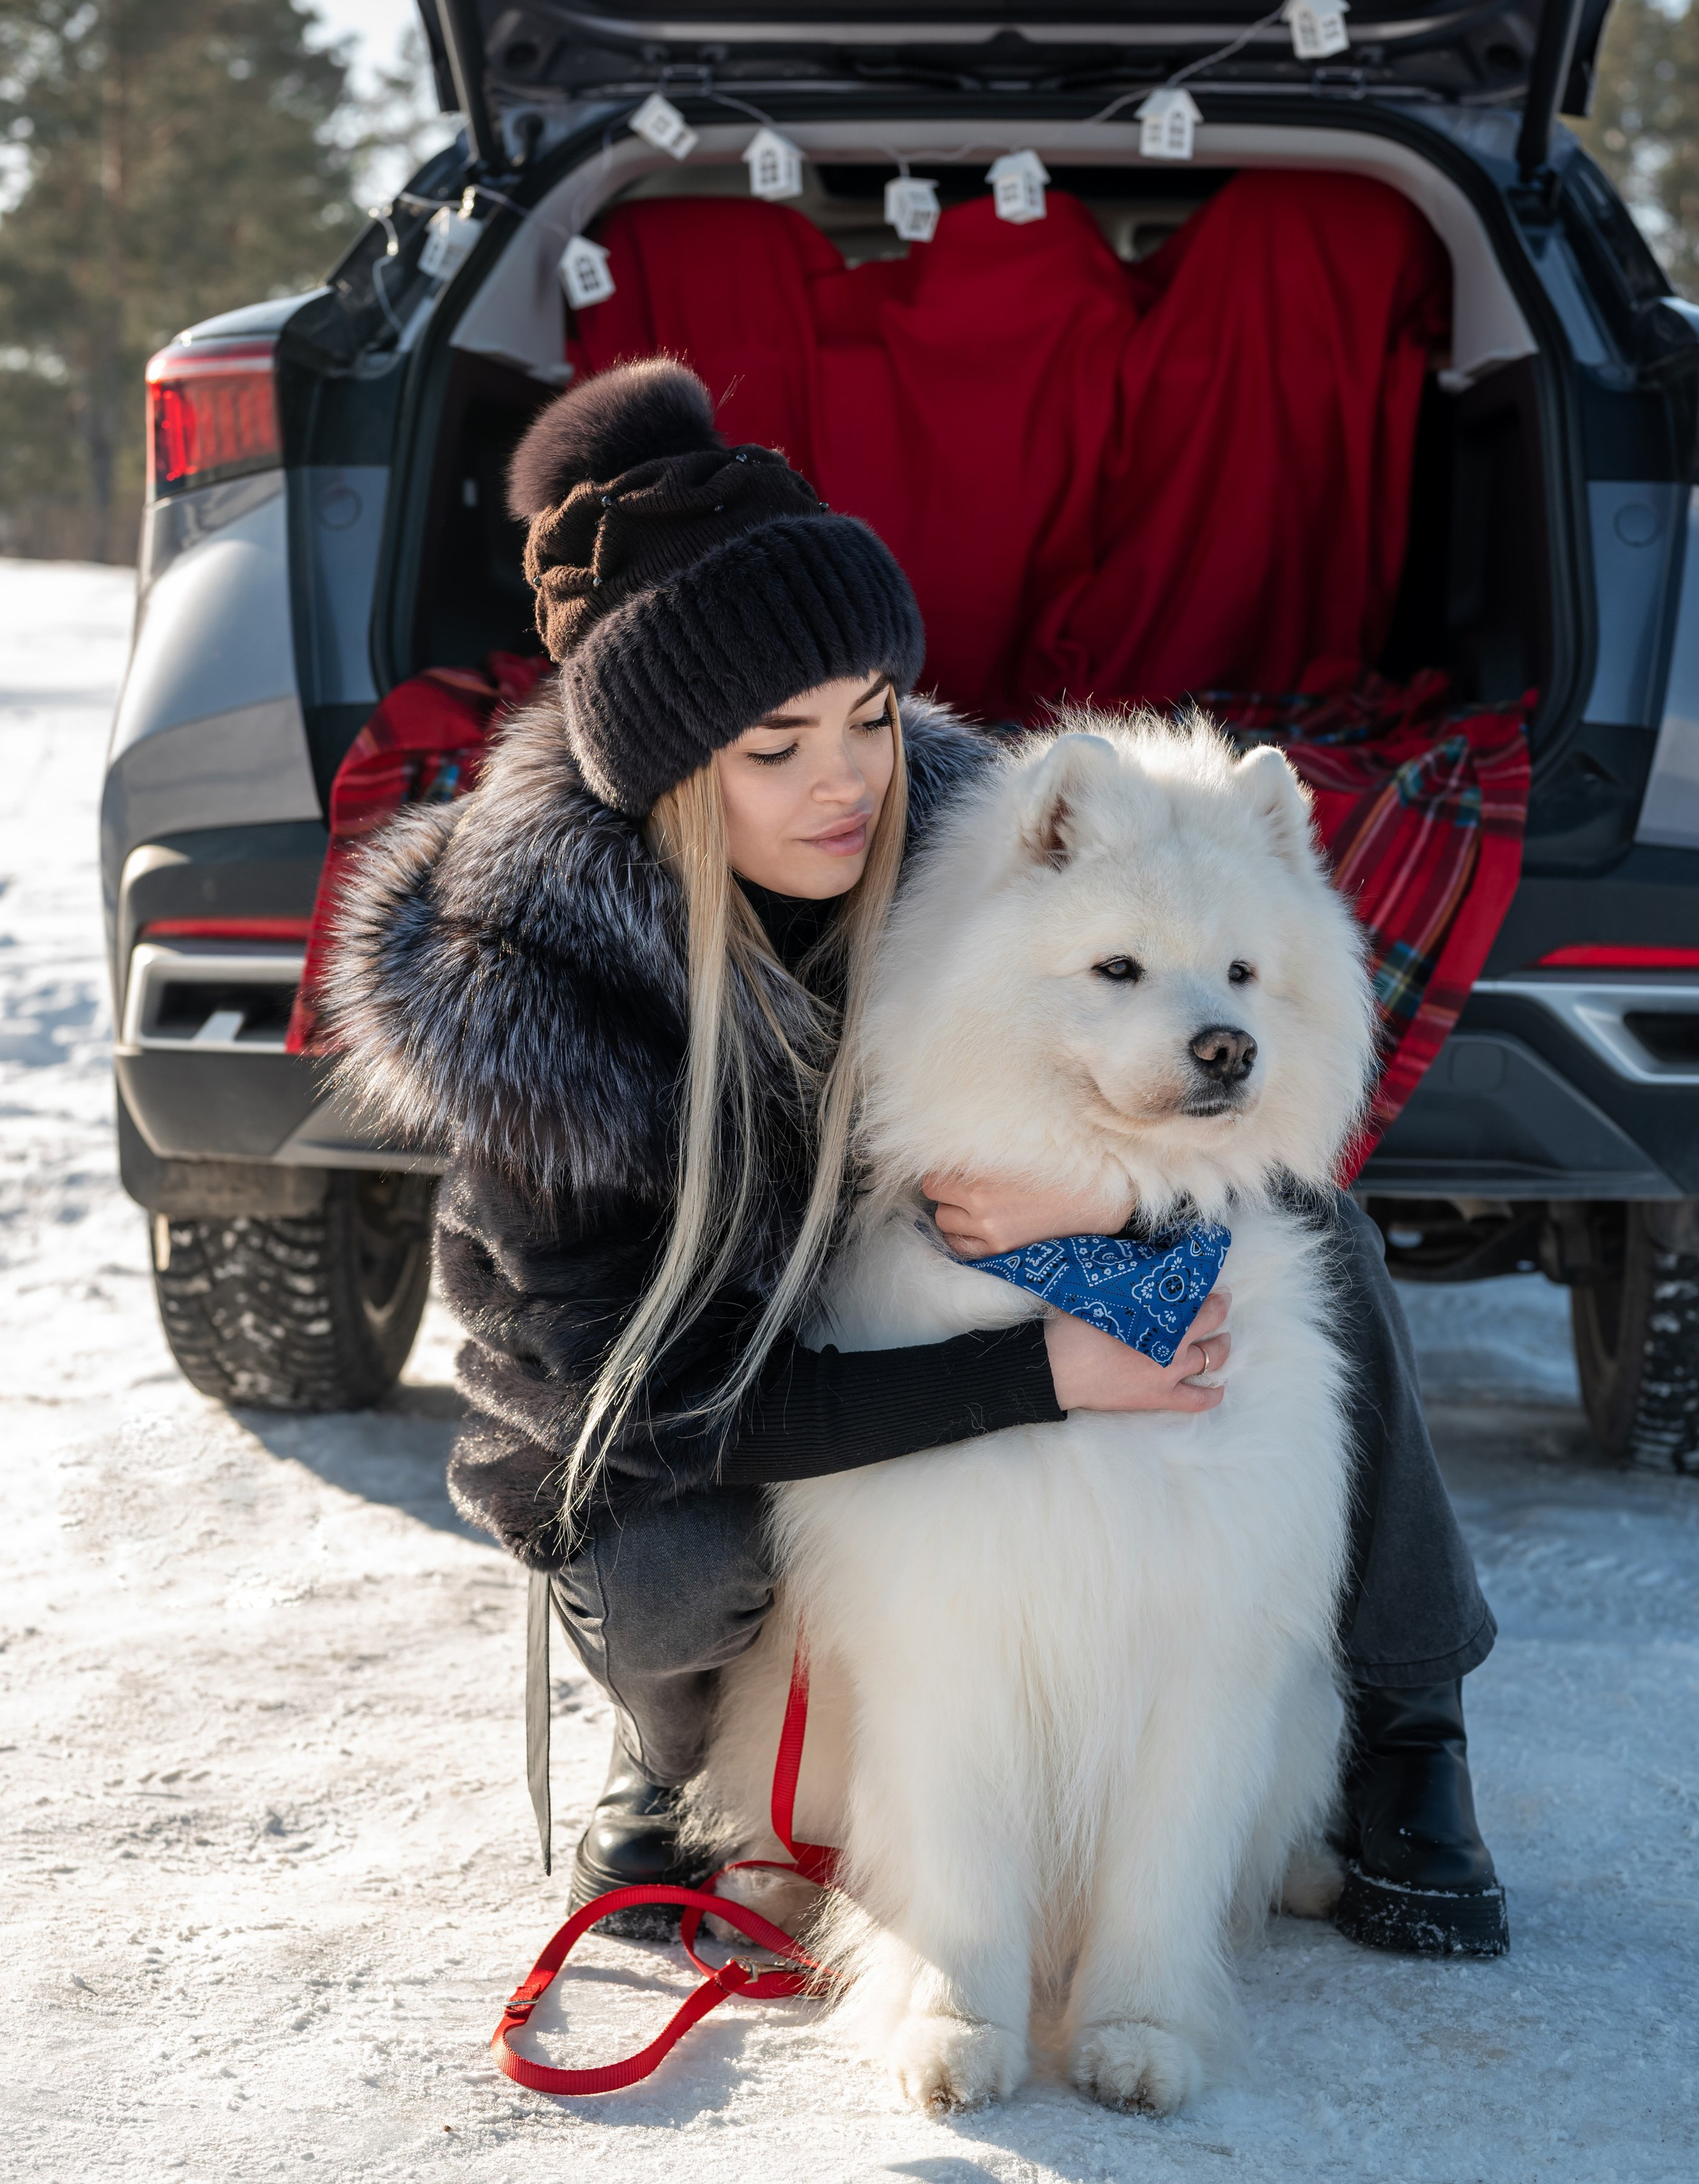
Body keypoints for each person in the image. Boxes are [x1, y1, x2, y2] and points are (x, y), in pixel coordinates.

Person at [328, 358, 1508, 1962]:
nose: (846, 782)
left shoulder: (973, 823)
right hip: (673, 1395)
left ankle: (1409, 1726)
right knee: (685, 1568)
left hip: (904, 1281)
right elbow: (663, 1401)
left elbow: (1143, 1021)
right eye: (774, 747)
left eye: (870, 718)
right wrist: (1044, 1372)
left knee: (1315, 1245)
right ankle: (670, 1746)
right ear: (674, 765)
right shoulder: (534, 993)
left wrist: (1094, 1197)